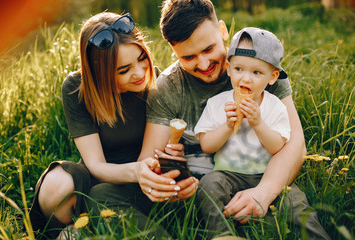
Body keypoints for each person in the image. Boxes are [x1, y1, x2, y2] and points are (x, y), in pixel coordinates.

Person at [139, 0, 331, 239]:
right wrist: (156, 176)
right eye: (188, 57)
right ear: (174, 51)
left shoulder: (262, 67)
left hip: (266, 174)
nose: (204, 64)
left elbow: (294, 144)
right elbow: (151, 157)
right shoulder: (169, 86)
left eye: (209, 49)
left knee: (290, 213)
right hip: (213, 183)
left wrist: (263, 193)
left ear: (222, 31)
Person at [29, 11, 197, 239]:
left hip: (142, 178)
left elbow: (161, 152)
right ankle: (68, 229)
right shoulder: (77, 88)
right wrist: (136, 171)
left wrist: (165, 161)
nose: (139, 73)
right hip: (99, 172)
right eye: (124, 70)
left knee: (106, 197)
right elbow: (95, 164)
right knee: (57, 184)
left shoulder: (157, 83)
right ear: (99, 71)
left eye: (141, 59)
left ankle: (90, 226)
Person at [193, 27, 292, 238]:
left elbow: (277, 146)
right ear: (228, 68)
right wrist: (228, 125)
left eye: (256, 72)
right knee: (208, 186)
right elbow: (206, 145)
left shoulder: (275, 107)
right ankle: (222, 234)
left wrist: (258, 122)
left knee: (295, 200)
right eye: (239, 69)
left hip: (265, 176)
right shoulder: (217, 104)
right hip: (226, 174)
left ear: (273, 76)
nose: (245, 79)